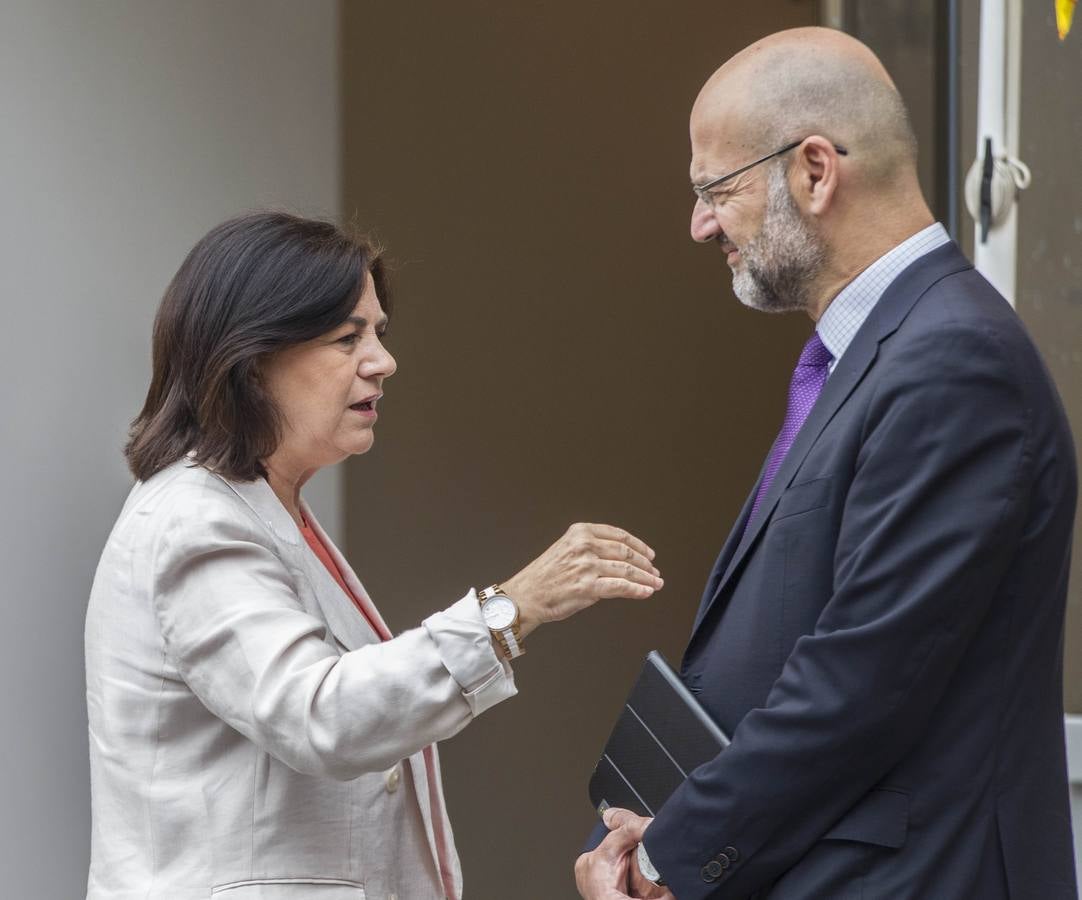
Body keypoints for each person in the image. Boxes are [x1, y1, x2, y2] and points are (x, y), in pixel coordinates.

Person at [576, 26, 1078, 900]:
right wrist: (637, 830)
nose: (699, 226)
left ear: (814, 170)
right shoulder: (877, 355)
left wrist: (666, 859)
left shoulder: (955, 361)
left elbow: (860, 676)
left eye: (715, 189)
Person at [84, 211, 664, 900]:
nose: (382, 361)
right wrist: (513, 608)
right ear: (251, 358)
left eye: (379, 333)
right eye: (345, 337)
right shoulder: (194, 517)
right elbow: (321, 717)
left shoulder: (266, 512)